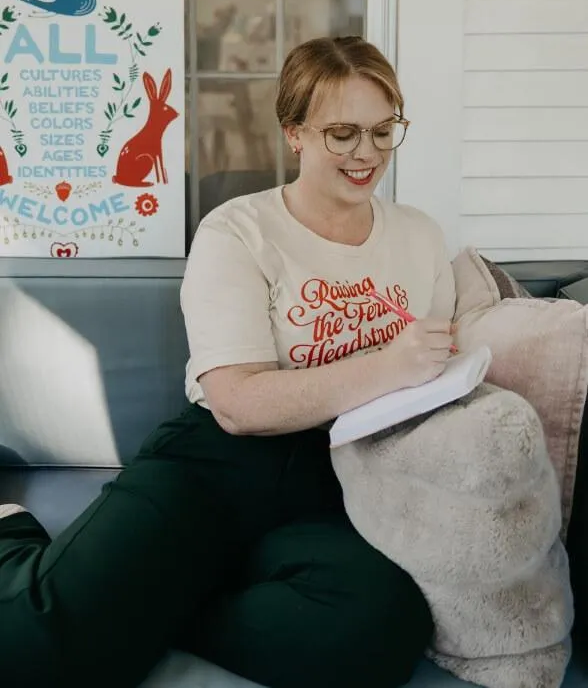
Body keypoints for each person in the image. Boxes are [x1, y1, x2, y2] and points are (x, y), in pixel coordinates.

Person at [0, 36, 456, 688]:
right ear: (294, 132)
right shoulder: (237, 230)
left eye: (385, 131)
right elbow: (239, 403)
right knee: (33, 653)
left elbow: (436, 370)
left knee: (380, 628)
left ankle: (157, 609)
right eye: (343, 133)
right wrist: (390, 365)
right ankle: (12, 538)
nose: (368, 154)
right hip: (214, 467)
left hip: (342, 483)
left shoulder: (419, 235)